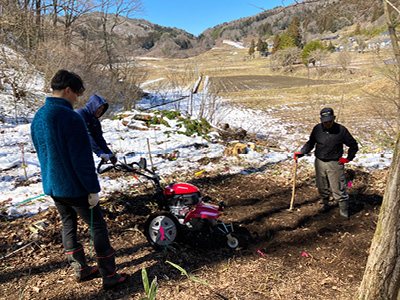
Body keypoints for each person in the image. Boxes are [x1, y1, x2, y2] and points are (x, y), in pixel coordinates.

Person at [30, 70, 127, 287]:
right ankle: (109, 276)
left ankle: (80, 269)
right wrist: (92, 189)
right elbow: (82, 160)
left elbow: (41, 152)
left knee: (68, 225)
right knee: (98, 227)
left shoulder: (38, 117)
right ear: (67, 90)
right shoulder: (71, 117)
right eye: (76, 93)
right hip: (76, 187)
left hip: (53, 186)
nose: (77, 99)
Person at [294, 107, 358, 219]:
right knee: (322, 186)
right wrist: (301, 152)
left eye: (329, 121)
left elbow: (353, 145)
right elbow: (310, 143)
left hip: (335, 163)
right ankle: (325, 204)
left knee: (338, 187)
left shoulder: (341, 130)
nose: (327, 123)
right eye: (325, 121)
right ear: (321, 119)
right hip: (319, 162)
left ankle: (344, 211)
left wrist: (348, 158)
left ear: (334, 118)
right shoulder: (317, 129)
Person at [76, 94, 117, 164]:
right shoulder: (80, 115)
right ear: (93, 106)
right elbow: (86, 135)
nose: (100, 111)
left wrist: (109, 154)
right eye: (99, 108)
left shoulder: (95, 121)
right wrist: (99, 152)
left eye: (102, 109)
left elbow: (99, 138)